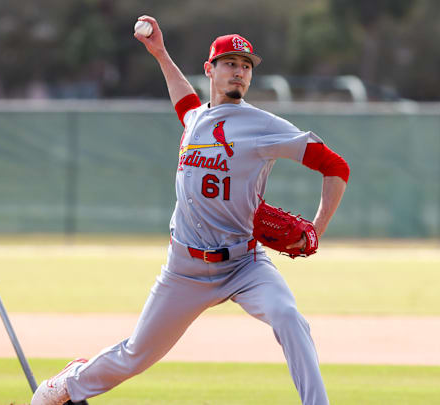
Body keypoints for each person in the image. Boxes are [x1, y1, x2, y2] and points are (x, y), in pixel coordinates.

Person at [32, 15, 350, 405]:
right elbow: (185, 101)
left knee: (288, 318)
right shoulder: (196, 118)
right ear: (210, 70)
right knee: (137, 354)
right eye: (231, 63)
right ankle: (70, 384)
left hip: (244, 264)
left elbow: (336, 166)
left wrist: (316, 229)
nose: (239, 72)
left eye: (246, 66)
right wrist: (161, 53)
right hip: (185, 267)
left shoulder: (263, 125)